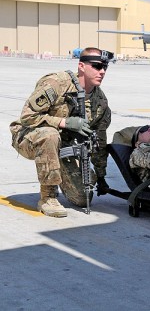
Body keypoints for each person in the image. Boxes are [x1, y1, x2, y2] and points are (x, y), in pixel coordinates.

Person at [9, 47, 114, 217]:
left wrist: (101, 176)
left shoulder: (99, 102)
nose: (101, 71)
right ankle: (47, 197)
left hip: (63, 145)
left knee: (82, 197)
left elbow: (99, 140)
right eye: (96, 66)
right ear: (81, 66)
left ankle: (58, 177)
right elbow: (28, 117)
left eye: (105, 68)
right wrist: (65, 122)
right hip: (29, 136)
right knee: (50, 135)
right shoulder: (57, 83)